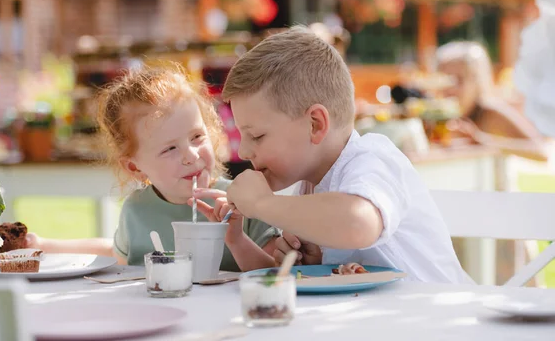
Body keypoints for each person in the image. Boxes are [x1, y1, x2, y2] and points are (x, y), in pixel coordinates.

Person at [195, 26, 471, 283]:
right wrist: (238, 241)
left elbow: (357, 222)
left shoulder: (372, 159)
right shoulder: (308, 186)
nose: (243, 150)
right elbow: (289, 285)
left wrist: (262, 204)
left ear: (315, 124)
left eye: (257, 136)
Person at [26, 64, 278, 271]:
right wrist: (45, 245)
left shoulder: (244, 203)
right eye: (170, 149)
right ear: (135, 168)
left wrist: (236, 240)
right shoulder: (137, 210)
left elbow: (278, 274)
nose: (191, 155)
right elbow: (115, 254)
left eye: (197, 137)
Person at [437, 41, 549, 162]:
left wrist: (482, 140)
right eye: (446, 80)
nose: (450, 89)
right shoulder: (441, 116)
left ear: (476, 81)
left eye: (459, 80)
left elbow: (540, 151)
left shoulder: (489, 112)